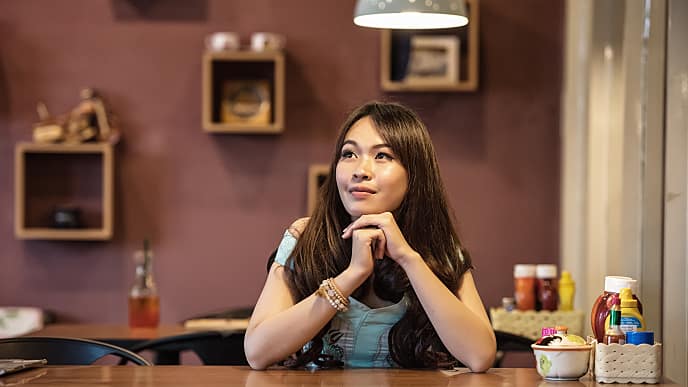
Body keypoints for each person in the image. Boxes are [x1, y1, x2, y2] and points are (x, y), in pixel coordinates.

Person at [244, 101, 496, 371]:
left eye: (382, 156)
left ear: (415, 174)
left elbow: (479, 356)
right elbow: (257, 352)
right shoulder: (305, 238)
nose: (360, 170)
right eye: (349, 154)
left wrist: (409, 259)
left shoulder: (440, 247)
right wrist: (352, 276)